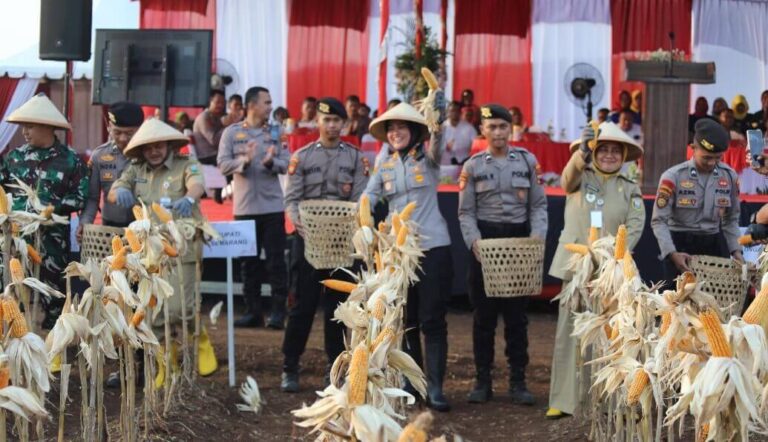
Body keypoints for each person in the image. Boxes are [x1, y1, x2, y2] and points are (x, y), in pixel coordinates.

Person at [546, 121, 645, 419]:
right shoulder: (579, 176)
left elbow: (637, 224)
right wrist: (583, 151)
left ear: (624, 154)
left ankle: (610, 399)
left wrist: (619, 256)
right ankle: (563, 400)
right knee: (569, 332)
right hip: (576, 265)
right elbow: (565, 179)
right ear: (594, 152)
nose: (610, 155)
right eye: (604, 150)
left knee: (612, 332)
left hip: (612, 270)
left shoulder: (630, 187)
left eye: (616, 151)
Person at [109, 118, 218, 378]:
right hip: (149, 250)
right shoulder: (137, 169)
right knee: (154, 310)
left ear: (168, 144)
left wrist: (189, 197)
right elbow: (116, 189)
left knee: (182, 307)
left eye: (159, 146)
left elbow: (197, 184)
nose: (154, 151)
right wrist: (120, 192)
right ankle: (165, 364)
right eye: (148, 148)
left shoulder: (184, 163)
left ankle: (199, 338)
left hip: (182, 245)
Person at [364, 96, 453, 411]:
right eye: (391, 128)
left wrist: (438, 114)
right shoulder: (384, 163)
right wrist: (363, 223)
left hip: (433, 247)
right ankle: (413, 383)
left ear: (415, 131)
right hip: (399, 254)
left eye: (402, 127)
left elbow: (439, 136)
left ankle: (437, 388)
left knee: (433, 319)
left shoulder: (428, 157)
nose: (396, 133)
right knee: (407, 319)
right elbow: (369, 196)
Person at [458, 104, 548, 406]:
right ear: (483, 130)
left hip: (518, 242)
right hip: (485, 244)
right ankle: (482, 380)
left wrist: (537, 236)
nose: (497, 132)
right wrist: (475, 243)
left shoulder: (527, 162)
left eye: (502, 127)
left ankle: (518, 380)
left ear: (511, 130)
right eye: (492, 127)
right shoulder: (471, 167)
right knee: (483, 317)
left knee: (516, 317)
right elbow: (466, 213)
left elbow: (537, 206)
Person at [281, 98, 368, 392]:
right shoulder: (303, 156)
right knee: (301, 306)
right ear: (317, 122)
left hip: (342, 243)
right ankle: (289, 366)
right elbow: (291, 199)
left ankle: (336, 369)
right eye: (326, 120)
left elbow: (360, 199)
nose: (331, 125)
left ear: (344, 124)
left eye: (336, 121)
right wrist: (297, 222)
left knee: (338, 308)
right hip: (307, 243)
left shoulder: (355, 158)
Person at [2, 93, 89, 329]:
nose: (24, 132)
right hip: (17, 238)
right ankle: (13, 342)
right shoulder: (14, 158)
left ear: (47, 127)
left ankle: (54, 350)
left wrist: (54, 208)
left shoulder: (70, 160)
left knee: (54, 295)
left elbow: (81, 197)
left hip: (52, 239)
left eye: (29, 127)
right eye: (23, 127)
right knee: (12, 291)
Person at [217, 86, 290, 330]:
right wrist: (244, 161)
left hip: (272, 207)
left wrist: (272, 162)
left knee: (276, 262)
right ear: (251, 106)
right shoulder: (231, 133)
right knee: (248, 264)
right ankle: (253, 311)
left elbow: (289, 163)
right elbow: (222, 164)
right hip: (245, 207)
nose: (270, 106)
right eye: (266, 102)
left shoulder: (277, 133)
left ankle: (279, 312)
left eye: (270, 102)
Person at [651, 118, 742, 287]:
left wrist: (736, 251)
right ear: (693, 148)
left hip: (713, 245)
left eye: (717, 158)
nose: (712, 163)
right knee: (676, 306)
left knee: (714, 307)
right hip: (679, 244)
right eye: (706, 157)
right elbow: (659, 220)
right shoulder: (673, 177)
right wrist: (671, 253)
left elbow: (731, 219)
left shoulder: (729, 176)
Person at [78, 102, 144, 243]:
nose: (123, 138)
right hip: (110, 229)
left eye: (129, 133)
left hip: (144, 229)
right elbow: (92, 198)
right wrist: (85, 222)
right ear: (109, 129)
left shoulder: (149, 155)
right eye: (117, 132)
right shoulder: (99, 156)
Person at [193, 89, 230, 165]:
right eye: (218, 102)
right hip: (207, 157)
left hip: (216, 155)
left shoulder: (216, 116)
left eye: (223, 103)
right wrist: (226, 126)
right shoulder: (204, 117)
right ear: (211, 101)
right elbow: (214, 140)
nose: (220, 105)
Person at [441, 100, 477, 165]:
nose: (454, 113)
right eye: (452, 111)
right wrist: (446, 146)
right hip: (446, 164)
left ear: (460, 112)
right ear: (447, 112)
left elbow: (475, 145)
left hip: (465, 162)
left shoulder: (469, 128)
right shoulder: (441, 128)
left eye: (456, 111)